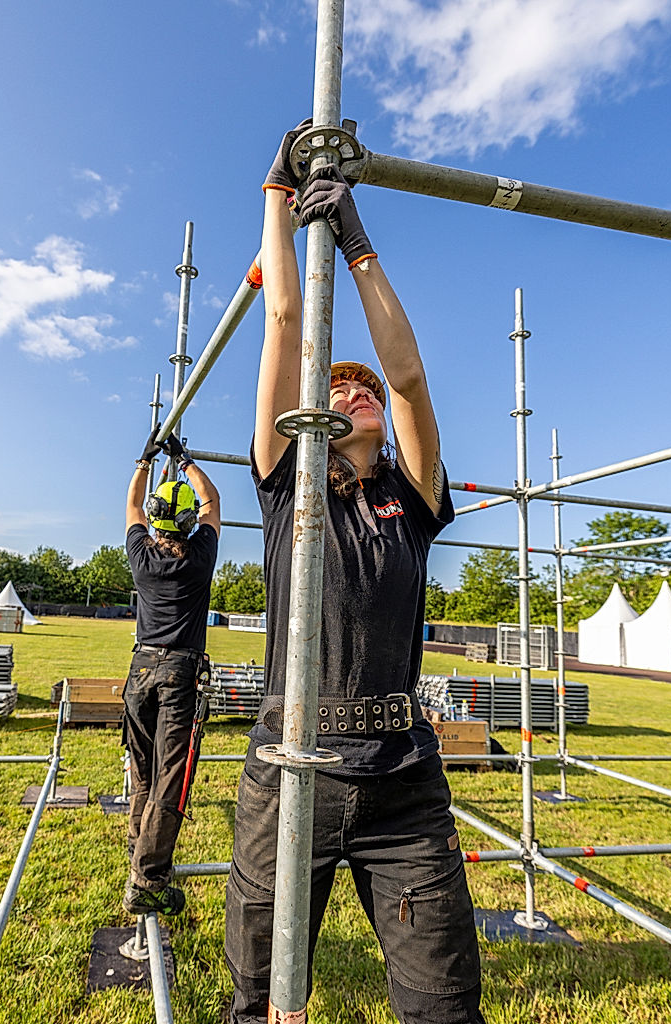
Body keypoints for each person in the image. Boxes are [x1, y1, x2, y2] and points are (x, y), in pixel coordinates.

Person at [223, 126, 486, 1023]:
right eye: (334, 389)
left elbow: (410, 380)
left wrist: (361, 244)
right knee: (263, 1004)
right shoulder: (286, 485)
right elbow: (286, 323)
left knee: (443, 1005)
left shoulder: (410, 500)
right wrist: (277, 193)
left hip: (402, 781)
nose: (353, 391)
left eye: (359, 387)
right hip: (287, 770)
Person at [122, 426, 221, 915]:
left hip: (139, 670)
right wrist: (186, 461)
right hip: (180, 673)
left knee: (143, 769)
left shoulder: (141, 557)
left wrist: (145, 461)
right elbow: (213, 501)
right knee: (171, 777)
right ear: (186, 521)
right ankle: (148, 879)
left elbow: (133, 507)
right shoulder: (199, 558)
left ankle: (138, 845)